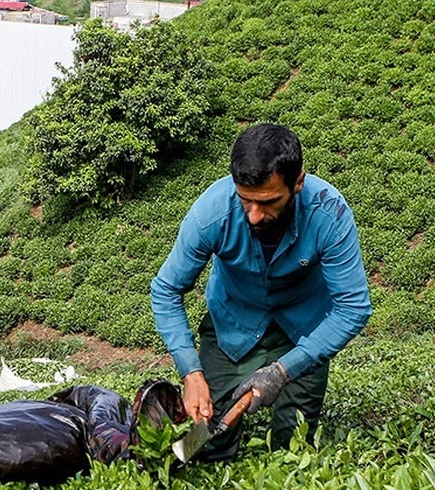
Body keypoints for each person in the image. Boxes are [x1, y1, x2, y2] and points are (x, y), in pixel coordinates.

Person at [150, 123, 372, 459]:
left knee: (293, 442)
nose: (254, 216)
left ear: (297, 183)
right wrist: (190, 372)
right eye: (245, 201)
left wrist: (284, 370)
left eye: (268, 202)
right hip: (233, 324)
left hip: (303, 332)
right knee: (209, 437)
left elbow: (353, 306)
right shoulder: (212, 213)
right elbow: (166, 289)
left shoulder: (329, 213)